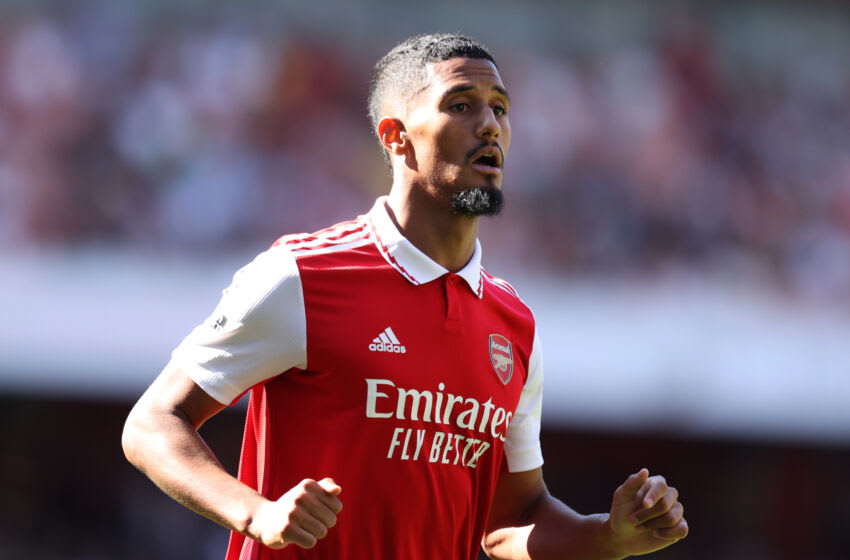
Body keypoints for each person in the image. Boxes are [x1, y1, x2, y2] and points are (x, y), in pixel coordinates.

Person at [122, 33, 688, 559]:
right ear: (395, 137)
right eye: (462, 105)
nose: (490, 125)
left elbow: (508, 522)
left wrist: (608, 537)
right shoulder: (303, 275)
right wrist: (257, 512)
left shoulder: (512, 324)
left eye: (500, 108)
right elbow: (152, 424)